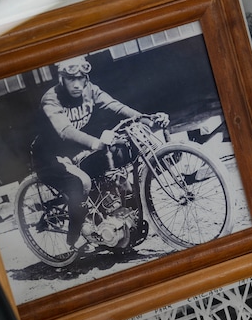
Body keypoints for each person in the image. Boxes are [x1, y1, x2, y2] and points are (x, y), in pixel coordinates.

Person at [32, 55, 169, 251]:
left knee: (115, 170)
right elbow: (65, 131)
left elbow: (116, 106)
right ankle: (73, 238)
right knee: (81, 183)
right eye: (72, 79)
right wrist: (94, 142)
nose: (77, 84)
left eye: (81, 78)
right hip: (49, 157)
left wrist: (147, 119)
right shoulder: (51, 99)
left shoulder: (90, 90)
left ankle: (113, 227)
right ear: (61, 78)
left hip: (77, 149)